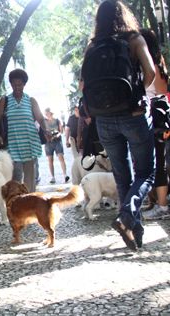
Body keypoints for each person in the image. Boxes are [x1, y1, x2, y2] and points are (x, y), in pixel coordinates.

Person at [82, 0, 155, 250]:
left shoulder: (92, 47)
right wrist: (136, 95)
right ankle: (126, 218)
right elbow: (151, 72)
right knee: (146, 172)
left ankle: (135, 235)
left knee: (123, 177)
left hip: (104, 120)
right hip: (132, 115)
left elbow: (84, 85)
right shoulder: (134, 39)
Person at [0, 68, 48, 192]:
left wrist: (46, 130)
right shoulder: (5, 101)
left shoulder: (31, 101)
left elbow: (41, 119)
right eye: (14, 84)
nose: (17, 87)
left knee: (30, 181)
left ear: (24, 84)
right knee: (15, 180)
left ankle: (30, 205)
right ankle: (16, 206)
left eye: (20, 84)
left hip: (30, 145)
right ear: (11, 84)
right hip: (13, 146)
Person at [140, 28, 170, 220]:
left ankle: (162, 206)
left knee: (158, 162)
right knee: (159, 161)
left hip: (156, 118)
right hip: (161, 116)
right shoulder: (160, 64)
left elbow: (156, 92)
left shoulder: (152, 68)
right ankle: (158, 201)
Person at [44, 108, 69, 184]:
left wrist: (57, 135)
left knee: (61, 157)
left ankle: (65, 175)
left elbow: (61, 131)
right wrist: (47, 137)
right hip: (48, 142)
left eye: (49, 113)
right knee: (50, 160)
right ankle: (52, 177)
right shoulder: (44, 122)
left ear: (51, 113)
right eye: (47, 113)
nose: (48, 115)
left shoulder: (57, 120)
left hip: (57, 141)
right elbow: (43, 131)